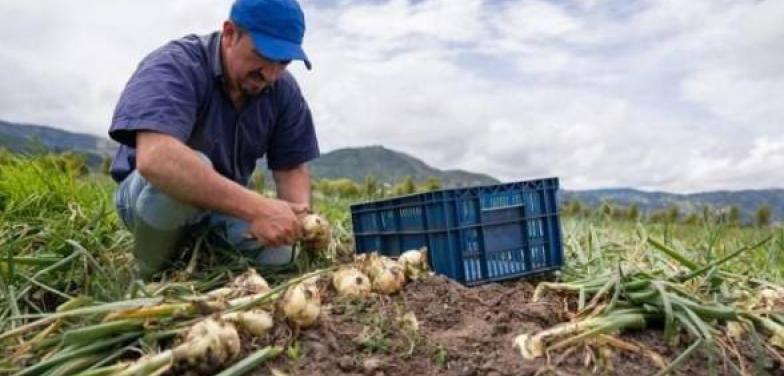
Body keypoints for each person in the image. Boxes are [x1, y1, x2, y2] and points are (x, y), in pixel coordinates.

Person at [107, 0, 319, 279]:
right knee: (193, 164)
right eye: (262, 55)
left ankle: (202, 255)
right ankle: (144, 272)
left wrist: (298, 224)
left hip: (224, 207)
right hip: (150, 198)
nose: (270, 74)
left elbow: (291, 168)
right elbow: (157, 159)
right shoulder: (176, 64)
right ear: (230, 33)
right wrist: (258, 209)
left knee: (280, 255)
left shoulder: (283, 90)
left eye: (282, 62)